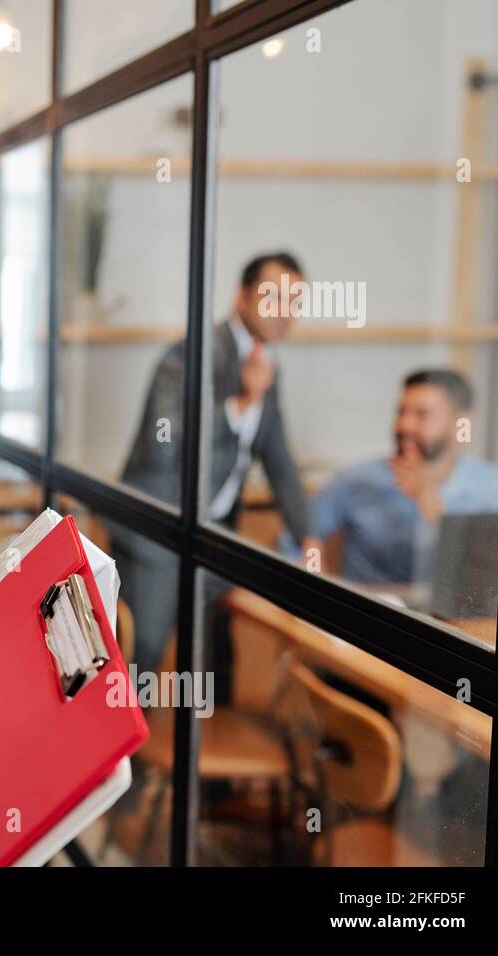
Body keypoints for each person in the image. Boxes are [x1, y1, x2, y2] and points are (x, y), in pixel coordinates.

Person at [109, 252, 310, 670]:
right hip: (158, 532)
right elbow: (162, 443)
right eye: (274, 297)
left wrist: (307, 536)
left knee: (216, 654)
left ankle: (214, 728)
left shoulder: (269, 368)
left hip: (214, 534)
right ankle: (117, 736)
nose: (284, 312)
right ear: (242, 296)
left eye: (295, 302)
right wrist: (240, 403)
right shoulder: (190, 354)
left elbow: (280, 461)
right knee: (141, 656)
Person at [299, 369, 498, 585]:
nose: (405, 425)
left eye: (422, 414)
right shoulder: (358, 479)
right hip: (365, 612)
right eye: (402, 412)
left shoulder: (492, 489)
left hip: (444, 618)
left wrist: (432, 506)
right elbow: (300, 536)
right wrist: (315, 576)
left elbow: (488, 576)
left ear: (462, 423)